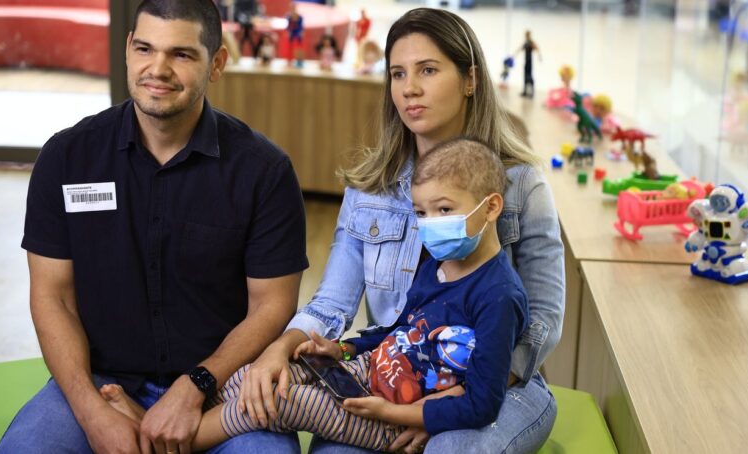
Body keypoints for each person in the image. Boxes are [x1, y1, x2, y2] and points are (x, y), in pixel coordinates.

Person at [0, 0, 308, 453]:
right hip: (97, 381)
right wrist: (92, 412)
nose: (157, 69)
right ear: (127, 49)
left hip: (226, 388)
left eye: (181, 54)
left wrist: (195, 385)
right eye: (144, 49)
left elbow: (272, 306)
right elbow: (52, 297)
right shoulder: (66, 158)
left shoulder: (264, 171)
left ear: (216, 63)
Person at [245, 7, 564, 454]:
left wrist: (443, 407)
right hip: (393, 377)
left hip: (499, 387)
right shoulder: (369, 187)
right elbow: (332, 302)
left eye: (427, 70)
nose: (409, 87)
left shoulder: (522, 185)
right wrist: (283, 347)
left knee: (451, 448)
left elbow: (543, 321)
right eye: (397, 74)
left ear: (470, 79)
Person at [96, 138, 530, 452]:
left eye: (444, 210)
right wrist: (341, 349)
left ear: (491, 207)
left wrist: (393, 414)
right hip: (367, 373)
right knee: (256, 376)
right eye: (421, 213)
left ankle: (157, 440)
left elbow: (481, 401)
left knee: (277, 400)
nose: (429, 224)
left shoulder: (498, 296)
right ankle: (163, 424)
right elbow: (399, 329)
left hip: (390, 414)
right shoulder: (436, 266)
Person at [518, 30, 541, 98]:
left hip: (529, 62)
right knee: (525, 77)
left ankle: (532, 93)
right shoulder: (526, 42)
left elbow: (537, 48)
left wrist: (539, 56)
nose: (526, 36)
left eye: (527, 34)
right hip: (526, 61)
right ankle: (525, 92)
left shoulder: (531, 42)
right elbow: (521, 48)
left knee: (529, 77)